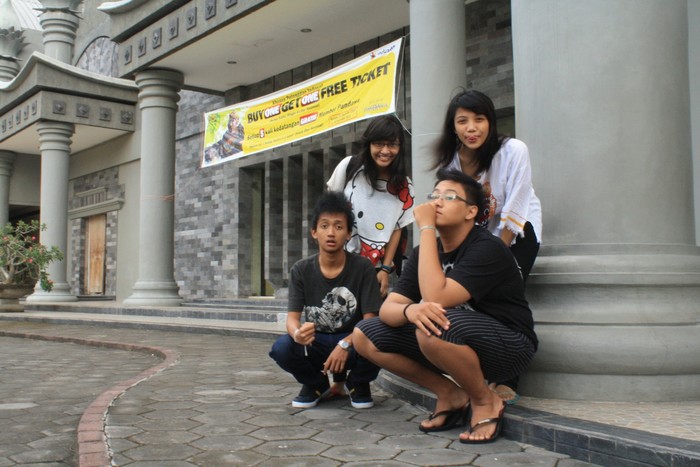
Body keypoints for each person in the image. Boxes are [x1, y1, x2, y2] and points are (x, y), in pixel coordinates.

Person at [353, 169, 538, 444]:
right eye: (434, 196)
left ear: (471, 212)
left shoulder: (487, 248)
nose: (436, 202)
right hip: (452, 340)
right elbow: (389, 308)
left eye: (449, 197)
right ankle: (450, 394)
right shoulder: (425, 252)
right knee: (364, 334)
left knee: (433, 325)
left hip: (509, 348)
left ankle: (485, 400)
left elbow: (436, 296)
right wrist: (410, 310)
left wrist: (426, 228)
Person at [433, 89, 542, 402]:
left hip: (518, 230)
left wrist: (498, 255)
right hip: (477, 235)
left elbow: (518, 202)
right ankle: (477, 370)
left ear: (490, 122)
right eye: (463, 121)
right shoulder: (451, 163)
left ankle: (509, 377)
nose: (472, 128)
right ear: (453, 127)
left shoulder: (513, 150)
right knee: (472, 301)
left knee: (504, 297)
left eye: (479, 119)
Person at [269, 191, 383, 409]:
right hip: (317, 343)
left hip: (353, 341)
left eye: (339, 226)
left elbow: (370, 321)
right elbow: (292, 319)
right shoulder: (301, 270)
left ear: (348, 234)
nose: (331, 233)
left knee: (381, 337)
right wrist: (298, 333)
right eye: (324, 226)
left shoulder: (363, 268)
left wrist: (345, 344)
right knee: (282, 348)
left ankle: (357, 382)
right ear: (314, 232)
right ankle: (316, 384)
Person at [327, 115, 415, 298]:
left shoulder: (404, 186)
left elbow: (396, 229)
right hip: (340, 260)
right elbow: (329, 211)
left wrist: (385, 269)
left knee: (370, 312)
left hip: (376, 268)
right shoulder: (349, 167)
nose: (385, 151)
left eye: (392, 145)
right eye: (379, 144)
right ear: (369, 144)